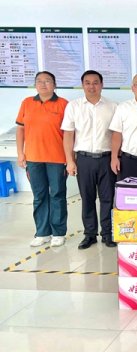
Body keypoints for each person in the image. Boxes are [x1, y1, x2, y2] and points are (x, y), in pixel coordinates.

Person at [62, 70, 118, 249]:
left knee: (108, 198)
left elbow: (117, 135)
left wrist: (116, 157)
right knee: (87, 198)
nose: (91, 86)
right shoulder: (74, 106)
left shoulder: (113, 106)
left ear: (102, 84)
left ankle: (108, 234)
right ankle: (90, 234)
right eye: (87, 83)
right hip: (83, 159)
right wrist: (70, 161)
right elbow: (68, 135)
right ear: (82, 85)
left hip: (106, 159)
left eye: (95, 82)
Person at [16, 71, 69, 247]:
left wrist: (70, 158)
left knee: (57, 195)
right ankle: (42, 232)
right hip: (33, 158)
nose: (43, 84)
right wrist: (20, 153)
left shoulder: (63, 104)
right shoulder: (27, 103)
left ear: (54, 84)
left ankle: (58, 233)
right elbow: (20, 130)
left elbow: (70, 134)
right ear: (35, 85)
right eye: (39, 81)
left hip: (57, 158)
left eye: (47, 81)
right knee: (39, 196)